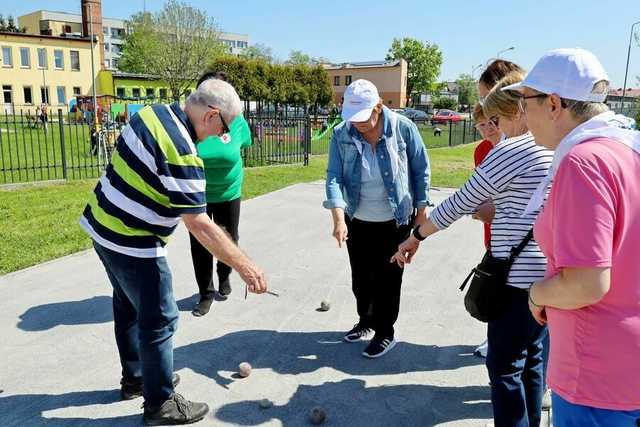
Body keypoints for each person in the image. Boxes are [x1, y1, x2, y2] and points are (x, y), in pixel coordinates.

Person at [80, 79, 268, 426]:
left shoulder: (152, 114)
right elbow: (199, 224)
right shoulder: (183, 151)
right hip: (132, 241)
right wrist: (245, 265)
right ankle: (160, 403)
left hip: (102, 226)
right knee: (160, 318)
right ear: (212, 116)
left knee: (127, 306)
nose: (220, 136)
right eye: (223, 128)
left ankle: (138, 379)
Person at [392, 71, 553, 427]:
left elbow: (458, 203)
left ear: (518, 111)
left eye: (496, 119)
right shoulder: (553, 148)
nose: (494, 128)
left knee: (504, 365)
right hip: (548, 277)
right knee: (532, 358)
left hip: (515, 279)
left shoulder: (512, 151)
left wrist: (415, 236)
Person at [507, 48, 640, 427]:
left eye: (524, 101)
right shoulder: (627, 148)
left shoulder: (585, 162)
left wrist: (537, 293)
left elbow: (586, 283)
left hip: (597, 375)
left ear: (553, 104)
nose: (521, 114)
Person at [324, 79, 430, 358]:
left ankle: (385, 331)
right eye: (352, 117)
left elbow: (421, 171)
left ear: (379, 108)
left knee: (388, 278)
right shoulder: (342, 133)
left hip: (396, 219)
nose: (357, 123)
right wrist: (338, 218)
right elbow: (334, 176)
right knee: (361, 278)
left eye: (362, 117)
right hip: (356, 217)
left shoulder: (403, 129)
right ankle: (366, 321)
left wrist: (421, 216)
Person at [188, 72, 253, 316]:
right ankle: (205, 292)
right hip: (199, 193)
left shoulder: (236, 120)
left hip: (229, 191)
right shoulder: (194, 122)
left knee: (229, 236)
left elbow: (244, 144)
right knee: (201, 242)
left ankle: (224, 275)